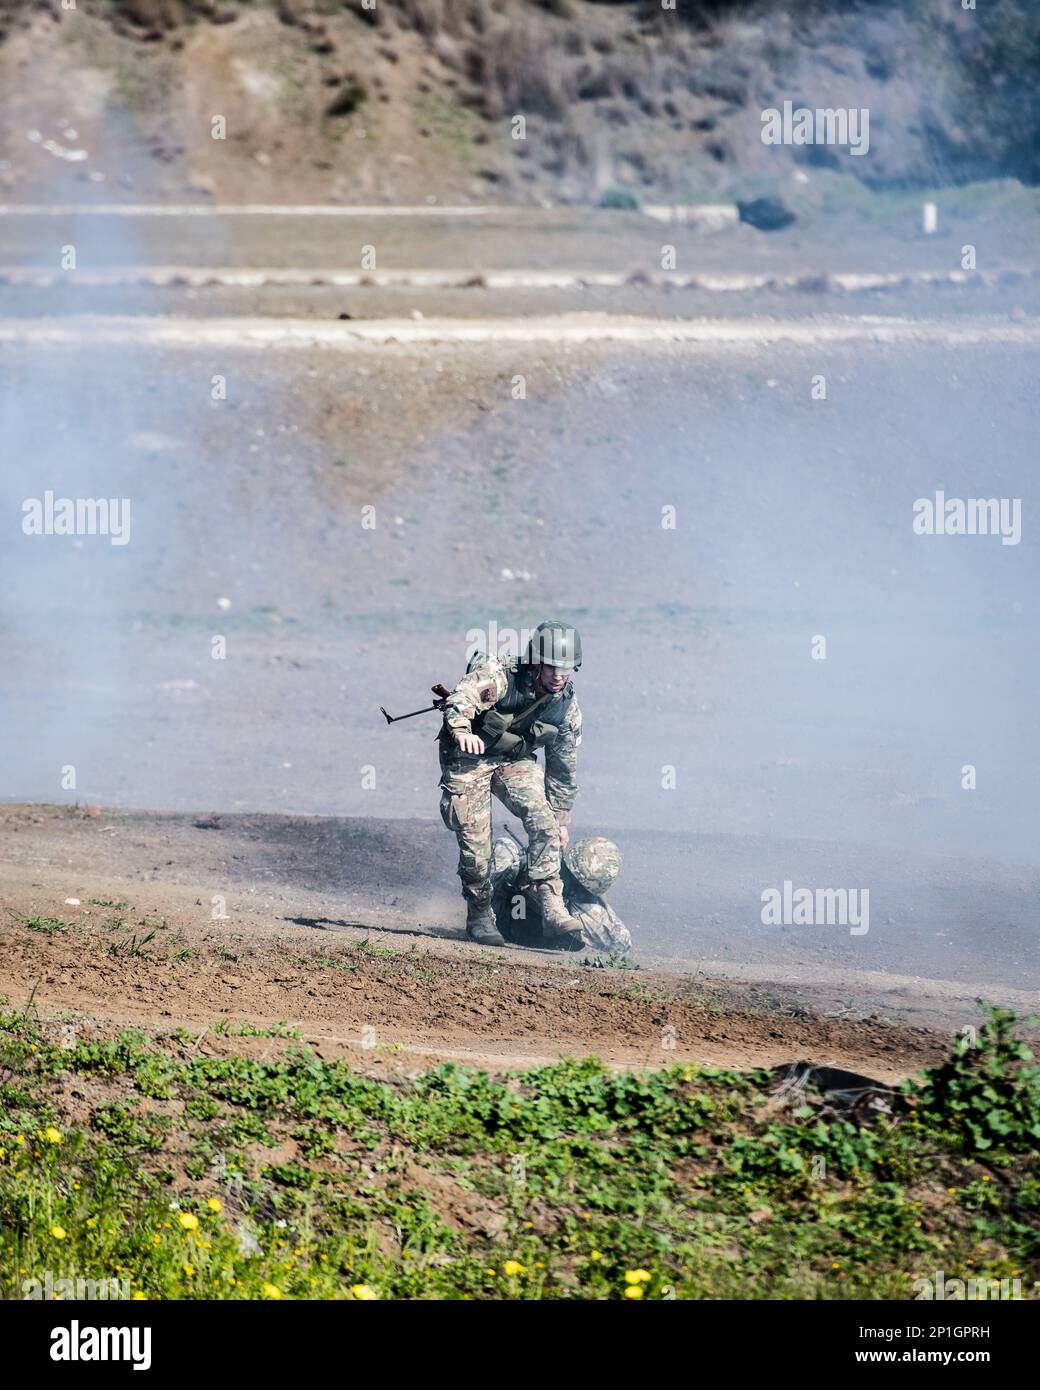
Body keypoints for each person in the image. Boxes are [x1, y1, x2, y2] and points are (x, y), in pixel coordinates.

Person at [438, 620, 583, 944]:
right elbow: (462, 699)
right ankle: (479, 916)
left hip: (513, 760)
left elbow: (563, 769)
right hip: (468, 756)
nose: (559, 675)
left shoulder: (565, 708)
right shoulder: (499, 675)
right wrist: (461, 731)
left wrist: (560, 820)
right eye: (551, 667)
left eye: (567, 668)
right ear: (536, 662)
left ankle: (551, 906)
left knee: (545, 824)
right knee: (477, 850)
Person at [490, 833, 632, 954]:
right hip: (513, 921)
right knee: (504, 846)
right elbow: (621, 944)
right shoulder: (589, 910)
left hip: (512, 928)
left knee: (504, 846)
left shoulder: (585, 910)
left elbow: (622, 943)